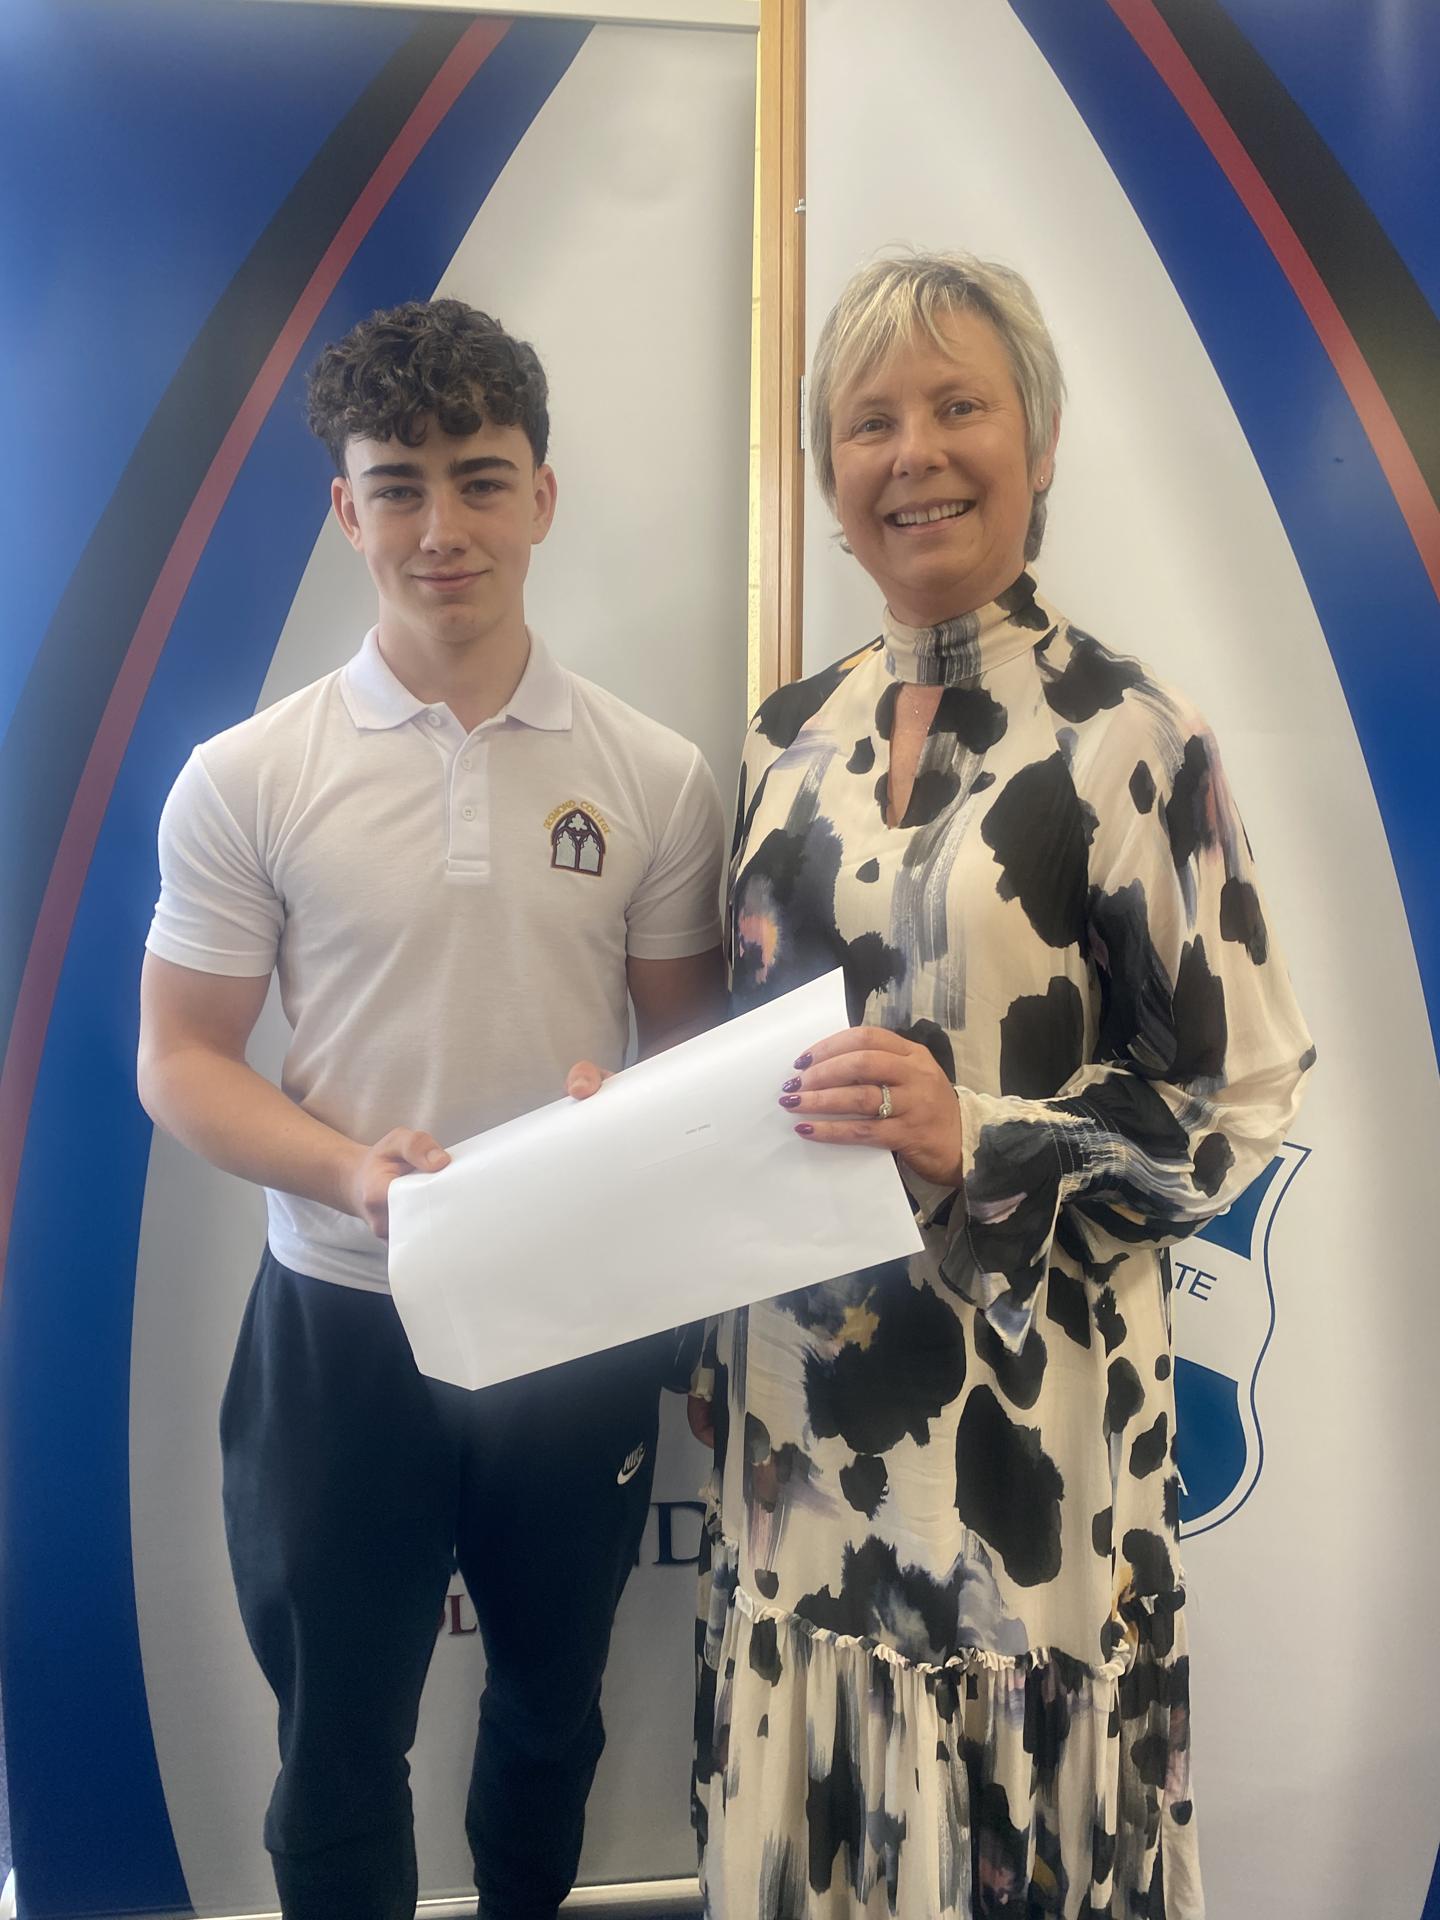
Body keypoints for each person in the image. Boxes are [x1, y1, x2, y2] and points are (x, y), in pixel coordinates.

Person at [688, 253, 1313, 1917]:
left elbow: (1242, 1095)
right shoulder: (778, 736)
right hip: (799, 1424)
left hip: (1031, 1440)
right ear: (827, 480)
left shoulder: (1131, 735)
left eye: (958, 405)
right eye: (869, 421)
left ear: (1037, 444)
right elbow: (749, 1060)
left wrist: (984, 1134)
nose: (915, 453)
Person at [136, 298, 726, 1920]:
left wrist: (629, 1115)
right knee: (336, 1749)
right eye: (398, 486)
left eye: (480, 479)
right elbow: (180, 1057)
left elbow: (687, 1060)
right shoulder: (247, 777)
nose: (441, 527)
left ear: (543, 495)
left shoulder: (655, 776)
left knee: (548, 1717)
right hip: (342, 1322)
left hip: (570, 1324)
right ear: (347, 511)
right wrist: (349, 1170)